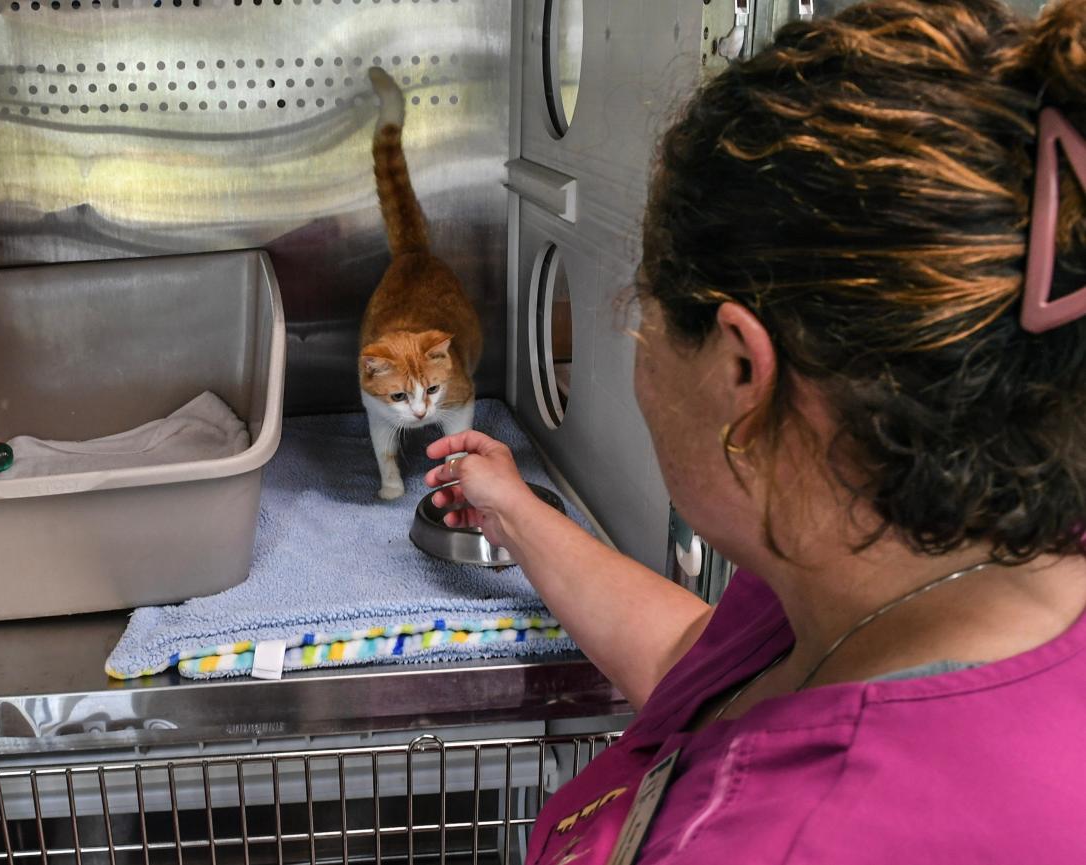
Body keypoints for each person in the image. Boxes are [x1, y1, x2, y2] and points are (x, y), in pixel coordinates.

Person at [425, 0, 1086, 860]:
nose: (637, 342)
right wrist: (513, 507)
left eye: (645, 309)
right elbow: (693, 664)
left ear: (740, 367)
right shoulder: (891, 546)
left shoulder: (780, 838)